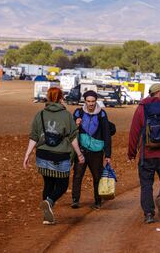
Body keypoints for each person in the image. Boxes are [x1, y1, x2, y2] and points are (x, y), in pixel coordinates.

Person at [23, 87, 84, 225]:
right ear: (61, 98)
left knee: (48, 184)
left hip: (42, 155)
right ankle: (49, 202)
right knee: (62, 185)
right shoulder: (67, 115)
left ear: (48, 97)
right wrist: (79, 154)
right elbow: (73, 138)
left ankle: (47, 217)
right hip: (60, 156)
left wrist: (27, 154)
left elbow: (34, 137)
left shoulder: (40, 114)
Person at [128, 83, 160, 224]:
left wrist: (131, 152)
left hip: (146, 155)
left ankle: (149, 214)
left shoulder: (141, 109)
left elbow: (134, 132)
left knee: (146, 185)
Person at [71, 90, 112, 210]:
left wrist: (108, 154)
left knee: (97, 177)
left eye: (93, 101)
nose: (90, 104)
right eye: (88, 101)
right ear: (84, 101)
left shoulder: (102, 114)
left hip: (97, 152)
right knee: (77, 175)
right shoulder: (78, 112)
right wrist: (76, 124)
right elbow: (71, 132)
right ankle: (75, 200)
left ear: (96, 101)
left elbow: (106, 134)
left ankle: (98, 201)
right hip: (81, 151)